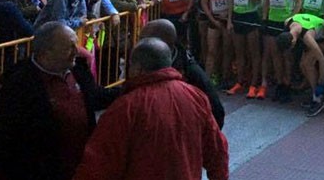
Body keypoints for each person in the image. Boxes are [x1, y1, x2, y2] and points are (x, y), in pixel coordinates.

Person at [72, 38, 229, 180]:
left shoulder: (126, 107)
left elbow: (99, 162)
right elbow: (217, 150)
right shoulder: (195, 96)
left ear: (137, 68)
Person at [0, 22, 119, 180]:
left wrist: (131, 88)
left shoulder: (78, 71)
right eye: (69, 47)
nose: (76, 51)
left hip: (79, 167)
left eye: (75, 45)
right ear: (45, 53)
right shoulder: (17, 85)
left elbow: (95, 97)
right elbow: (3, 139)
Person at [139, 19, 225, 129]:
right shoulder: (143, 61)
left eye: (144, 39)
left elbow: (216, 111)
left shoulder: (192, 74)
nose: (139, 43)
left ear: (162, 42)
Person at [277, 13, 324, 117]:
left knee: (307, 64)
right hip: (309, 27)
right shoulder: (287, 22)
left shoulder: (307, 37)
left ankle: (318, 99)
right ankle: (314, 94)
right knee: (302, 65)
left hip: (323, 33)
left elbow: (322, 60)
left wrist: (321, 82)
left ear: (293, 41)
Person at [228, 0, 264, 97]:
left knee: (254, 53)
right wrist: (230, 20)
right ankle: (239, 81)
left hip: (251, 16)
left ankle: (254, 84)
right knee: (240, 52)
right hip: (238, 16)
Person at [199, 0, 233, 90]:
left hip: (227, 18)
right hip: (214, 18)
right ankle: (208, 78)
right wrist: (212, 19)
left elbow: (232, 0)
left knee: (226, 49)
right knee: (212, 49)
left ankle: (225, 76)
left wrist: (229, 18)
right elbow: (204, 3)